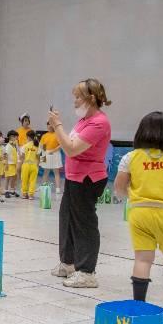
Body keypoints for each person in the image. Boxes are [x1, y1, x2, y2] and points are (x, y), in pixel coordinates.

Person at [114, 112, 163, 312]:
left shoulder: (130, 157)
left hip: (140, 213)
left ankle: (139, 306)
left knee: (142, 259)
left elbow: (119, 189)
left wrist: (134, 196)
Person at [48, 78, 112, 288]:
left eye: (78, 97)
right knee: (67, 218)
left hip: (88, 179)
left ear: (91, 98)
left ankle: (86, 271)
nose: (74, 101)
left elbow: (72, 148)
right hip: (74, 177)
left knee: (84, 223)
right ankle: (68, 262)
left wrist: (57, 125)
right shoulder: (84, 121)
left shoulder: (99, 122)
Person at [39, 121, 63, 193]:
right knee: (46, 171)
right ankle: (43, 186)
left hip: (55, 154)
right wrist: (43, 155)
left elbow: (61, 144)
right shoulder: (44, 136)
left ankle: (58, 188)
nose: (50, 126)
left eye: (51, 124)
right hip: (46, 154)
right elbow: (41, 146)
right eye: (48, 124)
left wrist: (53, 150)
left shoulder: (57, 134)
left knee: (56, 172)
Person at [20, 131, 40, 199]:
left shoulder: (24, 146)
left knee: (24, 180)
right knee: (32, 180)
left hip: (25, 165)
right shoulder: (37, 146)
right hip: (34, 165)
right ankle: (31, 195)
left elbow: (22, 157)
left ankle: (24, 194)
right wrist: (37, 165)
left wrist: (22, 165)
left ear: (28, 137)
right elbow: (38, 157)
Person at [3, 130, 20, 198]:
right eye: (15, 137)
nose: (16, 138)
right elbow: (5, 155)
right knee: (7, 178)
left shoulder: (14, 145)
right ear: (11, 137)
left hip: (14, 164)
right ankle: (6, 191)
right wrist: (6, 164)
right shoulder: (8, 146)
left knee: (14, 178)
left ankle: (12, 190)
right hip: (9, 164)